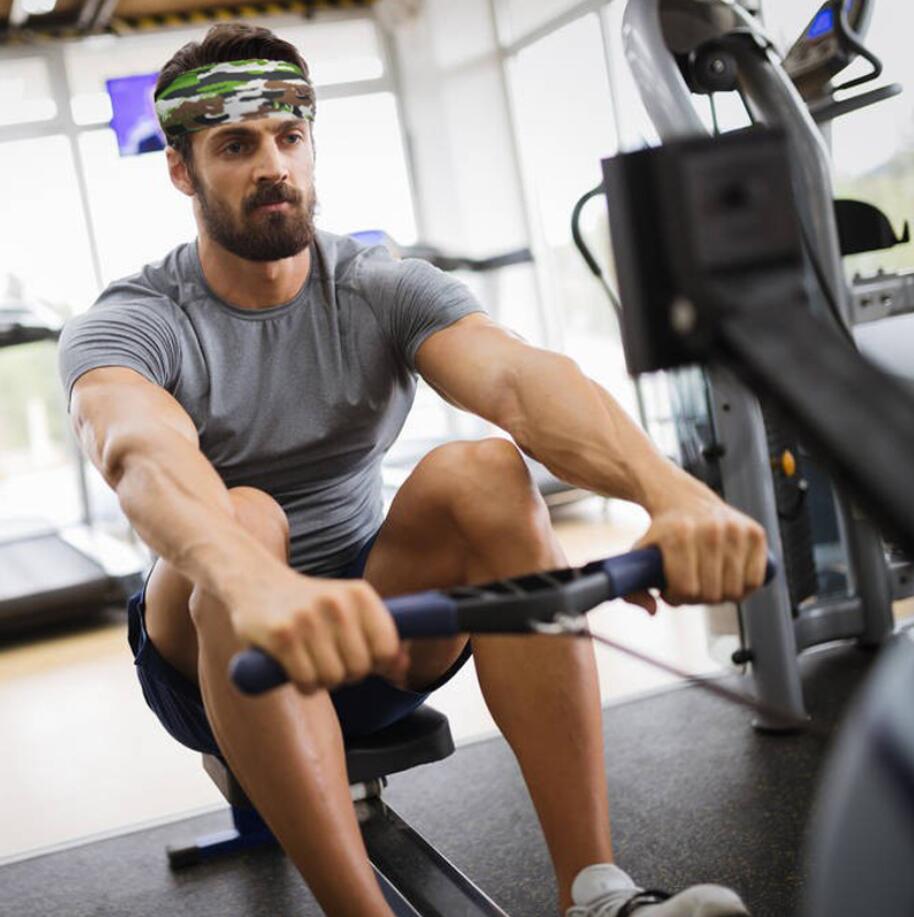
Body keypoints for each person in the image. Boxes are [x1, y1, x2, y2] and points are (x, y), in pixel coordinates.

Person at [58, 22, 766, 917]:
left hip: (387, 633)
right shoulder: (137, 318)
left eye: (288, 136)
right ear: (181, 170)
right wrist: (257, 585)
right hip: (217, 649)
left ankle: (597, 892)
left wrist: (676, 496)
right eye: (235, 146)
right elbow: (140, 453)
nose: (272, 165)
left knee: (481, 468)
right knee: (244, 517)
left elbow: (518, 378)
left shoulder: (375, 285)